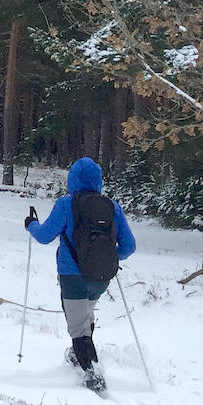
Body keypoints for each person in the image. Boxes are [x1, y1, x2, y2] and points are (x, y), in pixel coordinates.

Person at [23, 156, 136, 391]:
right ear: (98, 180)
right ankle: (78, 357)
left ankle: (93, 375)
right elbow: (129, 247)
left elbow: (44, 236)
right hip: (101, 276)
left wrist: (30, 225)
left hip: (72, 276)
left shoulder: (66, 204)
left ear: (72, 179)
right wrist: (109, 257)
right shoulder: (112, 206)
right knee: (85, 316)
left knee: (78, 328)